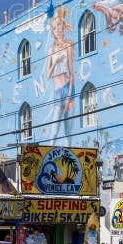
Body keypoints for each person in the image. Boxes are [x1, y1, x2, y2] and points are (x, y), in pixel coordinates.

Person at [47, 8, 75, 145]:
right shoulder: (51, 50)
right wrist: (55, 62)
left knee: (68, 130)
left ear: (63, 26)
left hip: (68, 88)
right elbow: (48, 74)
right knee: (55, 127)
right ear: (52, 31)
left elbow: (71, 71)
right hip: (58, 91)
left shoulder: (68, 46)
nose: (57, 29)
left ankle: (68, 157)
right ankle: (48, 153)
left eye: (58, 25)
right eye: (54, 27)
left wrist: (69, 94)